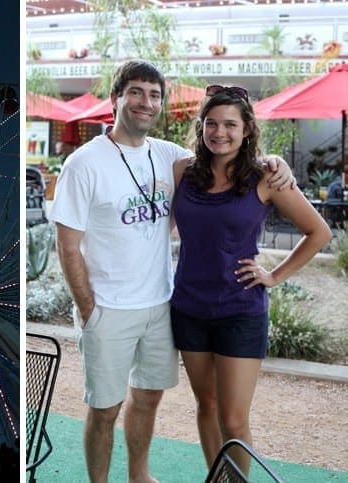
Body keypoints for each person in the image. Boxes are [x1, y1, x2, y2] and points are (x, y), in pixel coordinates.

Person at [48, 60, 293, 483]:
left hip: (162, 304)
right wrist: (88, 307)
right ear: (116, 99)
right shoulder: (83, 164)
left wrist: (272, 160)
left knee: (147, 398)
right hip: (108, 307)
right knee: (105, 409)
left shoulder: (170, 157)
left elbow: (224, 152)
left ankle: (139, 476)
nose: (146, 102)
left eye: (154, 94)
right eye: (136, 92)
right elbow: (67, 245)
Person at [170, 84, 333, 476]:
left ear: (246, 130)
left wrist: (274, 276)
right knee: (205, 404)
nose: (219, 132)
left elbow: (319, 232)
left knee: (235, 418)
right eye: (211, 123)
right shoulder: (181, 171)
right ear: (201, 126)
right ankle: (218, 478)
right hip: (188, 307)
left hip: (240, 310)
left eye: (230, 124)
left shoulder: (266, 176)